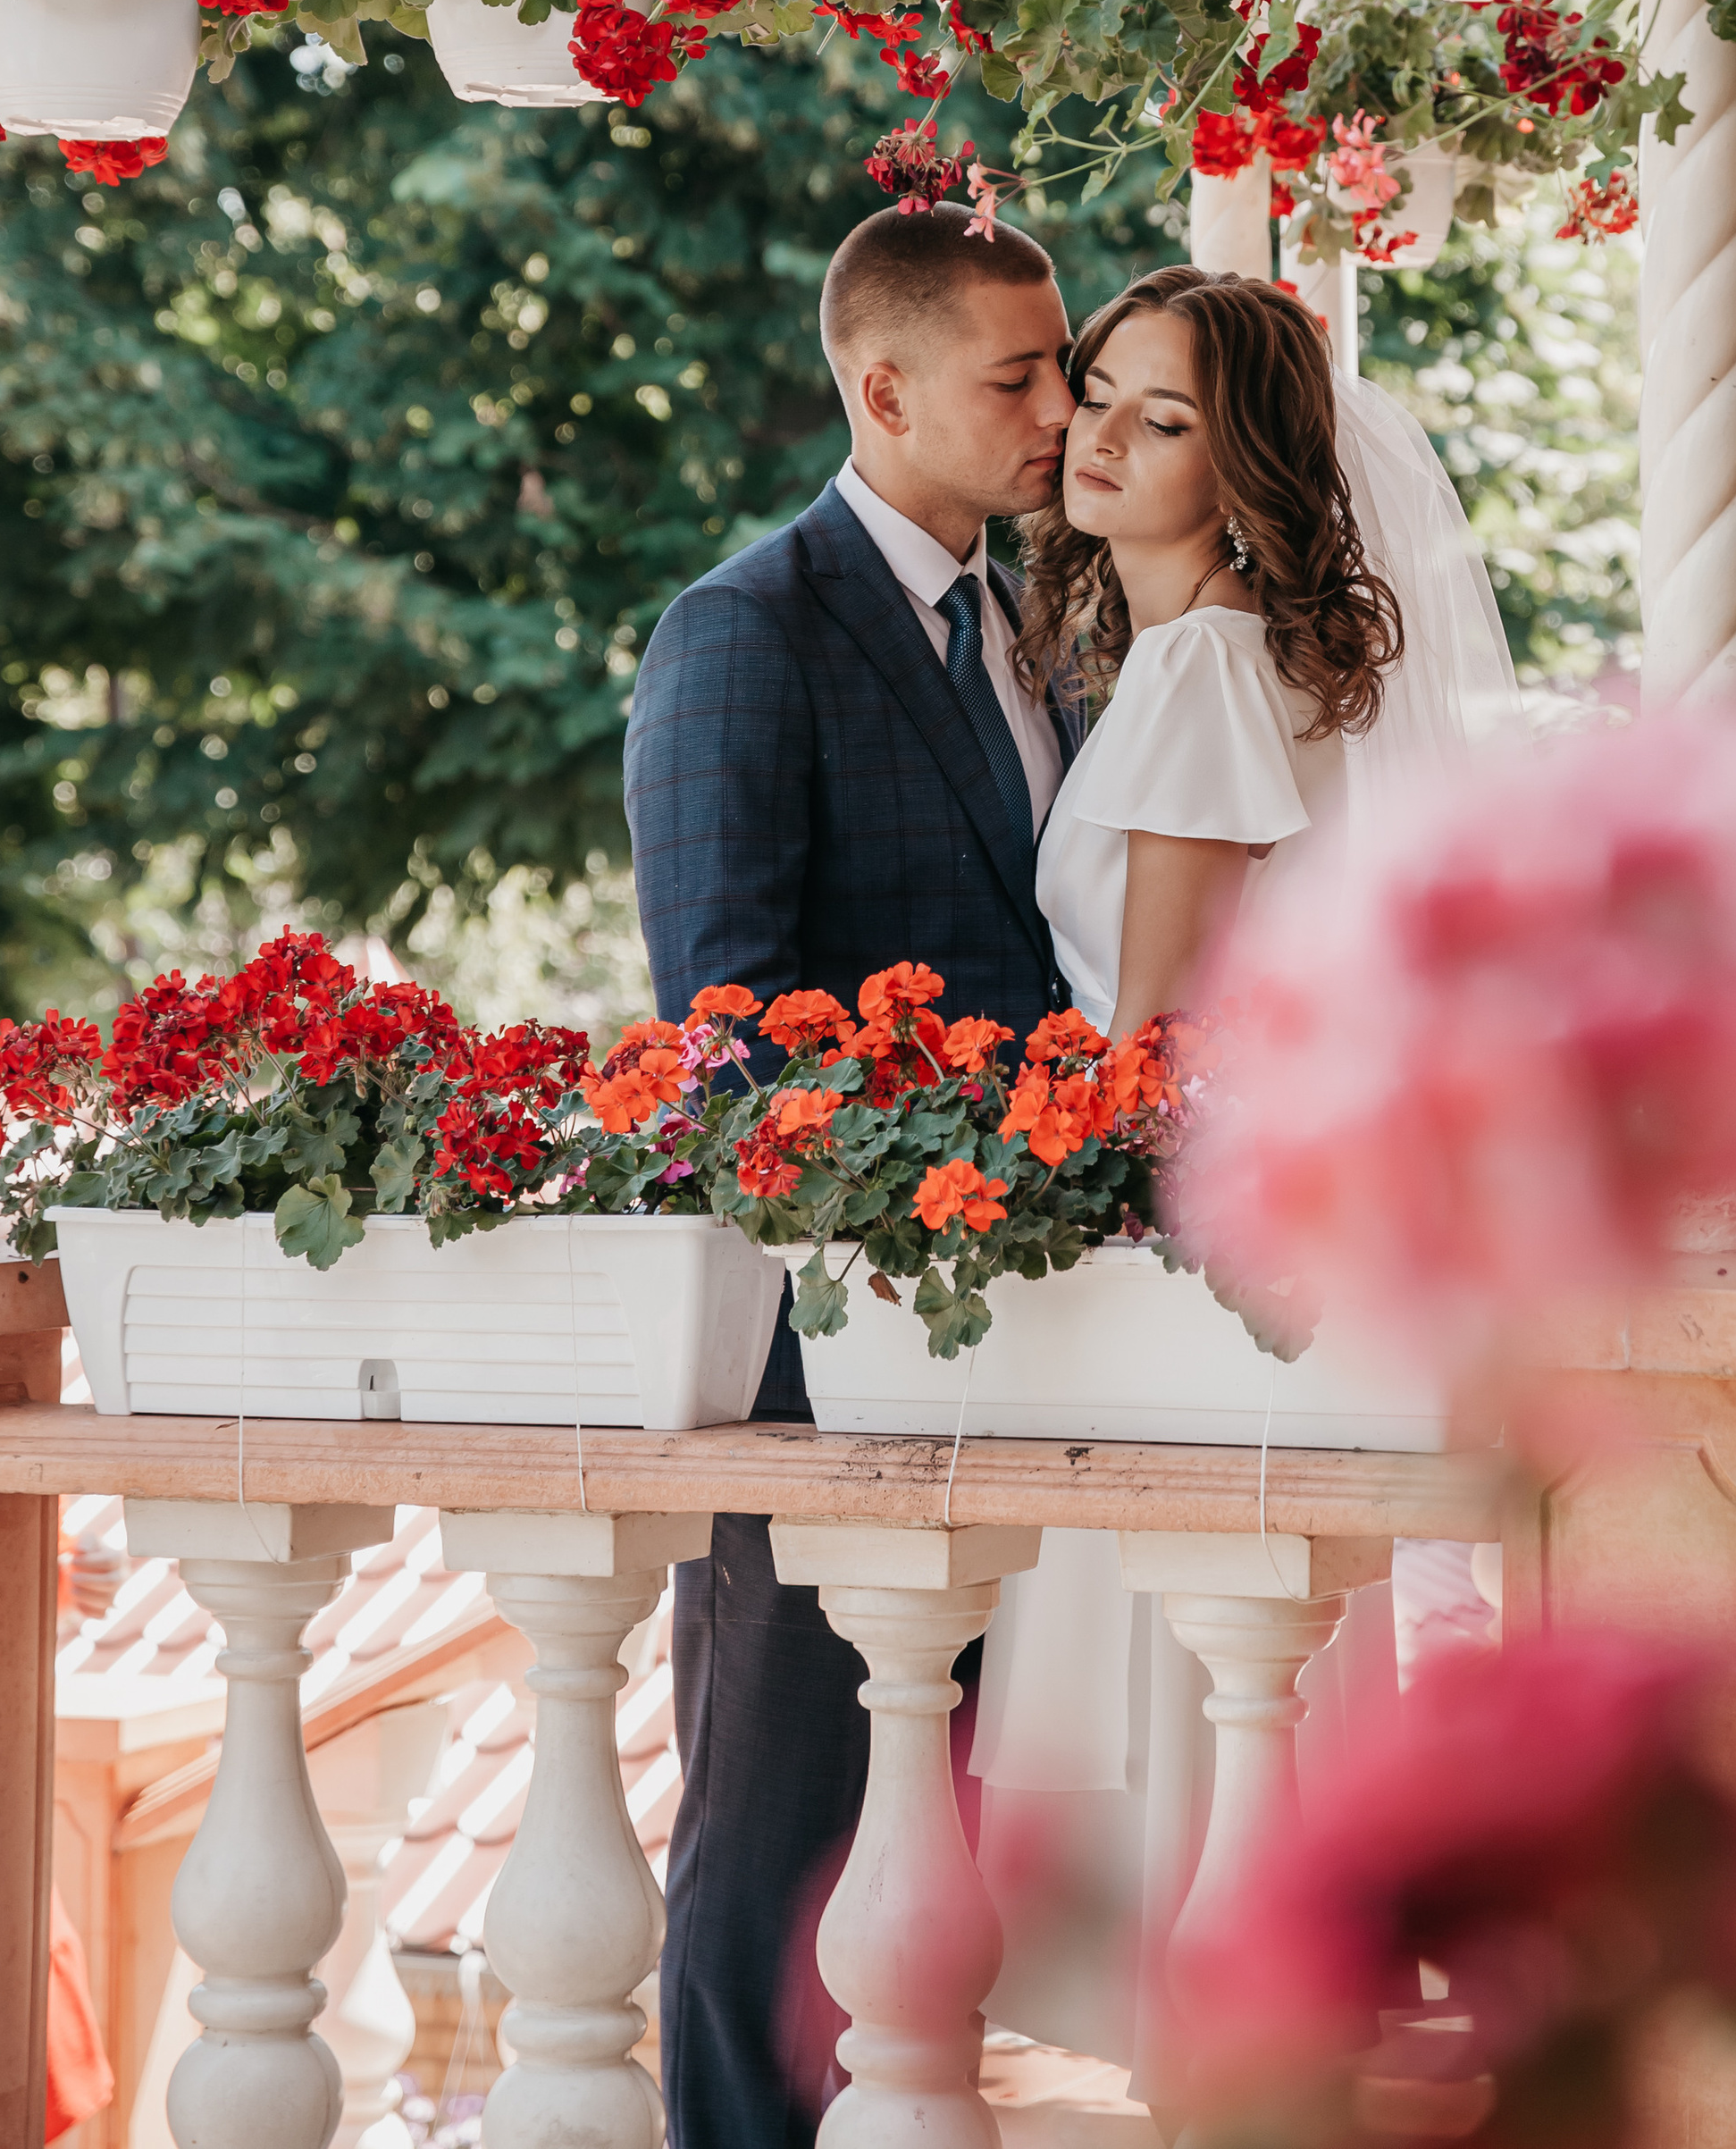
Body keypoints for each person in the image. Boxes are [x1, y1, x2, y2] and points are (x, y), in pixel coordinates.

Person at [974, 264, 1517, 2089]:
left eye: (1165, 416)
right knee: (1250, 1714)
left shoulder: (1208, 665)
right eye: (1100, 394)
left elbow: (1160, 1043)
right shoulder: (1237, 658)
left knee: (1193, 1717)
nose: (1101, 439)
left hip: (1181, 1265)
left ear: (1249, 461)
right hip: (1264, 1251)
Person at [624, 198, 1081, 2149]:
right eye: (1019, 376)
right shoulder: (743, 628)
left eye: (1060, 365)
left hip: (1027, 1342)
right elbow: (722, 1026)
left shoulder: (1034, 619)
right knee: (776, 1843)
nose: (1059, 406)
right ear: (881, 389)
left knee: (932, 1845)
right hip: (828, 1362)